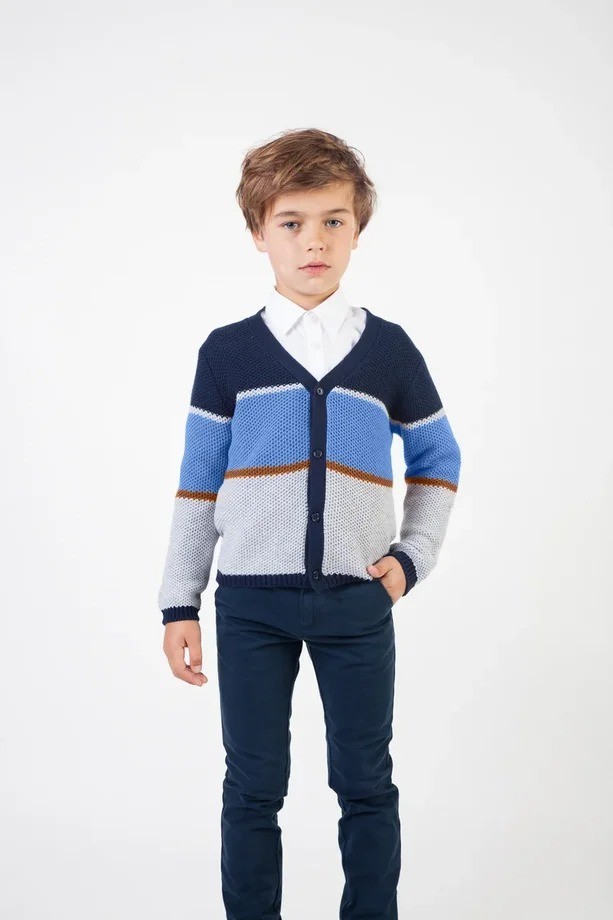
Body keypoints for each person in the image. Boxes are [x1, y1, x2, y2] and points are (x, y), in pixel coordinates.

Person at [157, 127, 462, 920]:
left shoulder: (388, 351)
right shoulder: (227, 354)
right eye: (291, 222)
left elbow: (437, 457)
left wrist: (411, 558)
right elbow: (197, 485)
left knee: (366, 783)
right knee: (253, 786)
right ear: (258, 233)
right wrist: (179, 600)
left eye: (333, 221)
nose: (314, 241)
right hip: (250, 605)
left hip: (358, 603)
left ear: (357, 229)